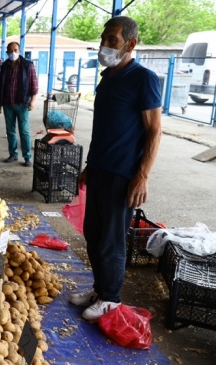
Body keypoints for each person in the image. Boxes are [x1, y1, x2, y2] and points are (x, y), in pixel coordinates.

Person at [69, 16, 162, 321]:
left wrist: (142, 176)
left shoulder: (144, 78)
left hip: (122, 174)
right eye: (103, 39)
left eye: (112, 40)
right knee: (93, 234)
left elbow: (154, 131)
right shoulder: (107, 77)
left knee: (111, 239)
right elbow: (103, 128)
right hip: (99, 169)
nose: (104, 46)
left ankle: (111, 299)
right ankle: (100, 289)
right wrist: (89, 166)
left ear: (131, 44)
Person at [0, 42, 38, 167]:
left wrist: (33, 100)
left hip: (22, 103)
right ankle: (13, 154)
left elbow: (34, 85)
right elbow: (0, 85)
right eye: (10, 50)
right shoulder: (4, 66)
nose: (13, 52)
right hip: (8, 103)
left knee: (24, 131)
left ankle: (27, 157)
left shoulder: (27, 65)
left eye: (15, 50)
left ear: (19, 51)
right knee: (10, 131)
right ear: (7, 52)